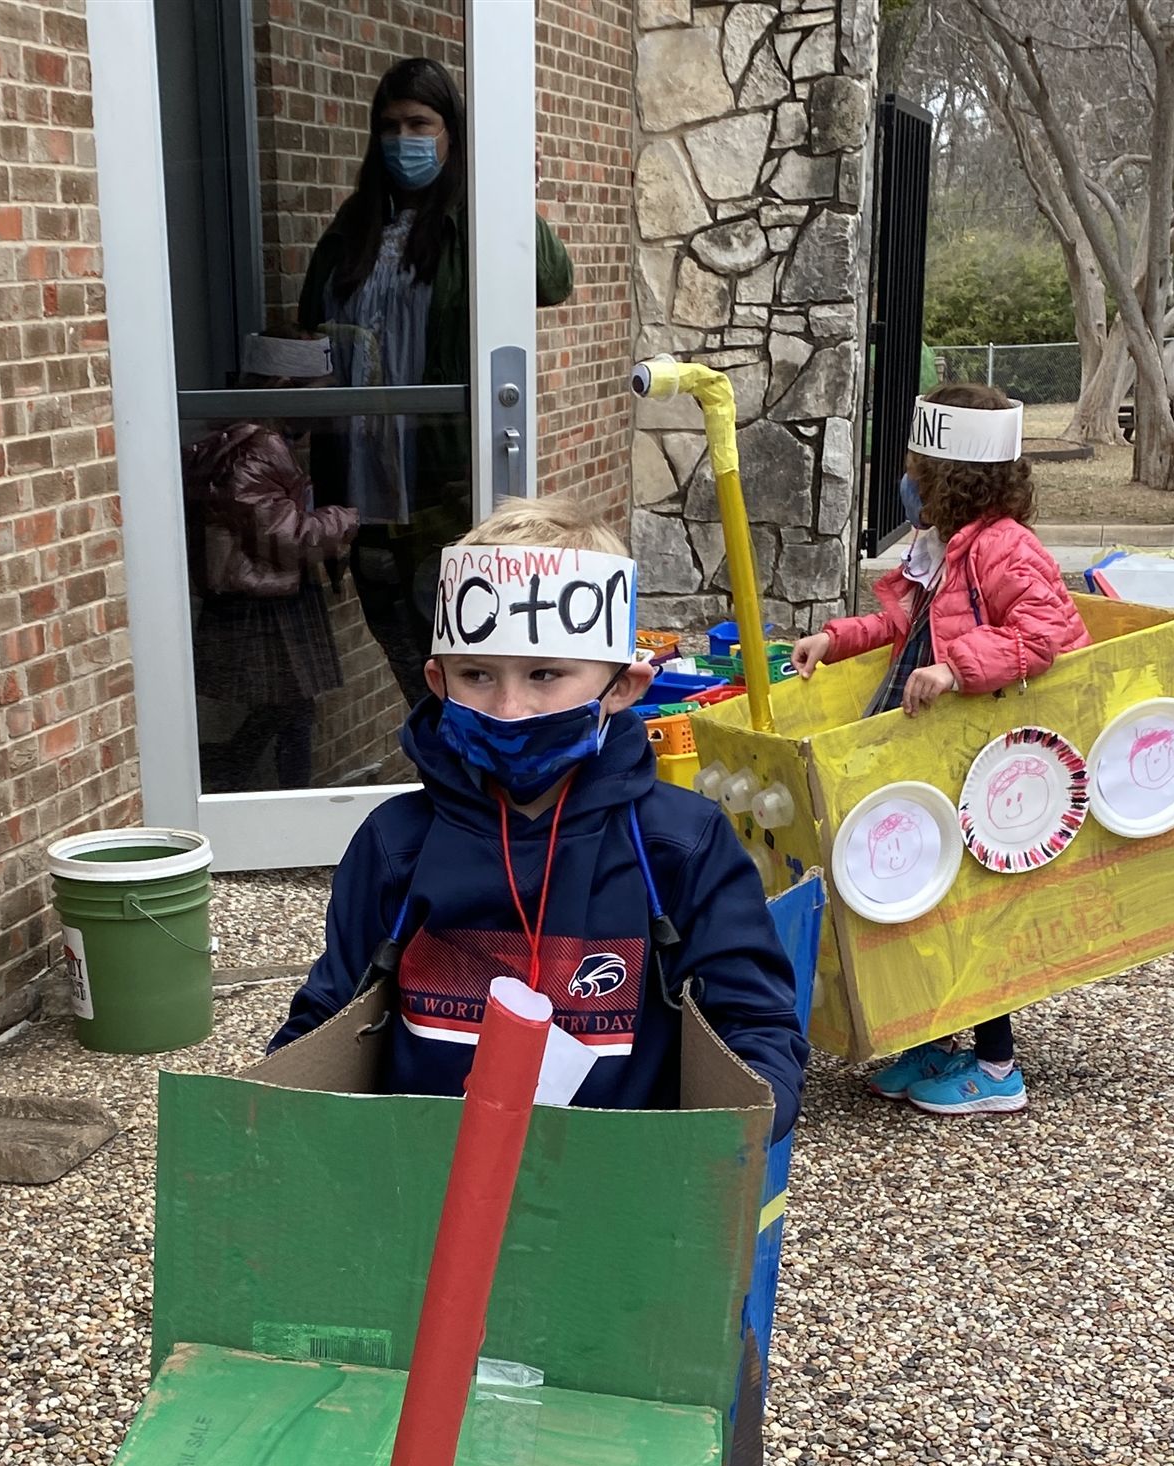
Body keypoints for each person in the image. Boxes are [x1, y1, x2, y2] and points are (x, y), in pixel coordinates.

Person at [269, 497, 807, 1136]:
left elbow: (754, 1028)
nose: (510, 707)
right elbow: (330, 1016)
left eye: (545, 674)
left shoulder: (680, 847)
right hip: (422, 1190)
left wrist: (732, 1135)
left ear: (625, 687)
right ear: (438, 683)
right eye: (477, 675)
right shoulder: (395, 846)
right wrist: (276, 1111)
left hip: (615, 1195)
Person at [790, 383, 1089, 1120]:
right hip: (936, 738)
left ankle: (996, 1066)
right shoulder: (944, 546)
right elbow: (904, 621)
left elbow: (1045, 631)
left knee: (971, 901)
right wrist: (835, 640)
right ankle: (939, 1032)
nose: (906, 480)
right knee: (922, 884)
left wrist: (957, 668)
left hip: (980, 751)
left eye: (916, 468)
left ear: (950, 477)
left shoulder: (1003, 547)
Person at [298, 57, 574, 709]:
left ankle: (470, 795)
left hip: (443, 488)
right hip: (364, 489)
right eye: (390, 126)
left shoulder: (473, 217)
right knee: (411, 673)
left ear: (452, 132)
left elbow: (552, 281)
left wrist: (506, 187)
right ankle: (444, 788)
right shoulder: (353, 226)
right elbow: (311, 324)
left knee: (465, 667)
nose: (404, 140)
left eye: (420, 123)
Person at [182, 332, 360, 792]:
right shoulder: (257, 448)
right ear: (283, 387)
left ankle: (232, 775)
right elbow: (283, 535)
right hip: (263, 599)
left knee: (287, 708)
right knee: (293, 711)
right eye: (319, 394)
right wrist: (346, 518)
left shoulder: (249, 438)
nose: (324, 410)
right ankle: (256, 788)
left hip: (263, 592)